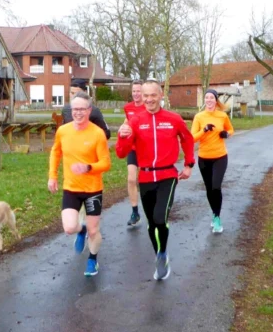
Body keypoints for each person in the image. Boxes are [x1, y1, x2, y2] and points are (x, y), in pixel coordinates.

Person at [115, 80, 195, 281]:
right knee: (151, 223)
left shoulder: (173, 119)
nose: (149, 99)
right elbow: (121, 153)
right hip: (145, 176)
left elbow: (187, 139)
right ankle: (160, 254)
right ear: (141, 97)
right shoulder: (135, 121)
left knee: (160, 218)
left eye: (153, 95)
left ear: (161, 96)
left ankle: (162, 252)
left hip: (167, 175)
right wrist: (122, 137)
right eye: (145, 95)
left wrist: (188, 164)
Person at [49, 93, 111, 276]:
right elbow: (55, 152)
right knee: (69, 228)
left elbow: (106, 163)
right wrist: (52, 176)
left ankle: (92, 259)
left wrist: (88, 167)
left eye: (82, 109)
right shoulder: (63, 131)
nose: (78, 113)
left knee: (94, 230)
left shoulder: (97, 133)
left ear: (89, 110)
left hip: (93, 189)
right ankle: (80, 228)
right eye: (75, 109)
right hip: (71, 188)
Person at [191, 88, 234, 233]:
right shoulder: (199, 117)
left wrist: (226, 134)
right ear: (204, 100)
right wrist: (204, 130)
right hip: (204, 158)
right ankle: (214, 214)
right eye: (207, 98)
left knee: (216, 186)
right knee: (209, 188)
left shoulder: (222, 116)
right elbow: (192, 138)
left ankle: (217, 217)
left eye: (211, 98)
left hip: (220, 157)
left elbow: (231, 130)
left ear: (216, 101)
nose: (209, 100)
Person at [122, 80, 146, 228]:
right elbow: (127, 120)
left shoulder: (148, 106)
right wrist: (123, 127)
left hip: (146, 148)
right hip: (132, 148)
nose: (136, 94)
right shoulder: (128, 107)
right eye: (134, 91)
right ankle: (135, 212)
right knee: (131, 179)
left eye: (139, 91)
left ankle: (153, 210)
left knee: (146, 182)